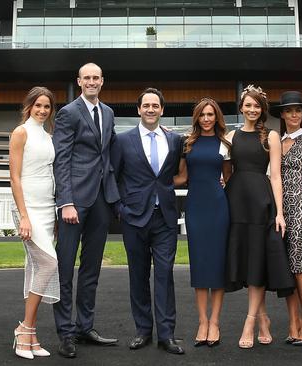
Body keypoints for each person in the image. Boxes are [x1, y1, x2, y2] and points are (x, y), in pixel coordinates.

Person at [52, 63, 120, 358]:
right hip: (75, 202)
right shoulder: (68, 113)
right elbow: (61, 159)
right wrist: (65, 201)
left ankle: (85, 326)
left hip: (102, 201)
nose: (91, 81)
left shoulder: (108, 113)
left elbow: (110, 151)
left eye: (96, 78)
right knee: (65, 269)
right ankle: (66, 332)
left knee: (91, 269)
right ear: (79, 81)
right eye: (87, 78)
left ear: (102, 81)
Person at [111, 88, 184, 355]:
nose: (151, 109)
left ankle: (167, 334)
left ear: (162, 110)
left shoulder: (175, 140)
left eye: (156, 105)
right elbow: (114, 176)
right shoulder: (123, 140)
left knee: (164, 275)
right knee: (138, 276)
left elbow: (172, 175)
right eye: (146, 105)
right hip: (134, 218)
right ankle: (143, 330)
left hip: (164, 217)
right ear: (139, 110)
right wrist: (120, 208)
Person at [224, 85, 294, 349]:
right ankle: (264, 318)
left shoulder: (272, 136)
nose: (252, 110)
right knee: (248, 262)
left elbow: (275, 176)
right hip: (236, 204)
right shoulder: (231, 136)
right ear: (241, 107)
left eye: (257, 106)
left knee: (257, 261)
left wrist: (280, 212)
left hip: (261, 204)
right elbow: (227, 173)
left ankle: (250, 321)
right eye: (248, 105)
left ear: (262, 110)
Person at [174, 98, 231, 348]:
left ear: (216, 117)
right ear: (196, 117)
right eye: (202, 115)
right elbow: (183, 177)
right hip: (196, 207)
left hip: (219, 208)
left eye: (210, 114)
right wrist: (155, 182)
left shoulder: (225, 143)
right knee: (199, 265)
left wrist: (225, 184)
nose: (206, 119)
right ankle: (202, 321)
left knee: (218, 265)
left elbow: (229, 178)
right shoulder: (188, 143)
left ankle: (215, 322)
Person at [9, 87, 59, 359]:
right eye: (38, 105)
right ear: (29, 106)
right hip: (28, 209)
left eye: (47, 107)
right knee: (49, 264)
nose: (42, 110)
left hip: (47, 207)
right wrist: (24, 216)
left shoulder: (49, 136)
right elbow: (14, 177)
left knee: (35, 268)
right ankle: (24, 328)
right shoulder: (21, 133)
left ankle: (32, 334)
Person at [270, 91, 302, 346]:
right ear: (282, 114)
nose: (293, 115)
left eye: (298, 111)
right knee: (286, 270)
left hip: (301, 210)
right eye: (289, 111)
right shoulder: (278, 141)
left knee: (300, 267)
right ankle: (293, 322)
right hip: (281, 212)